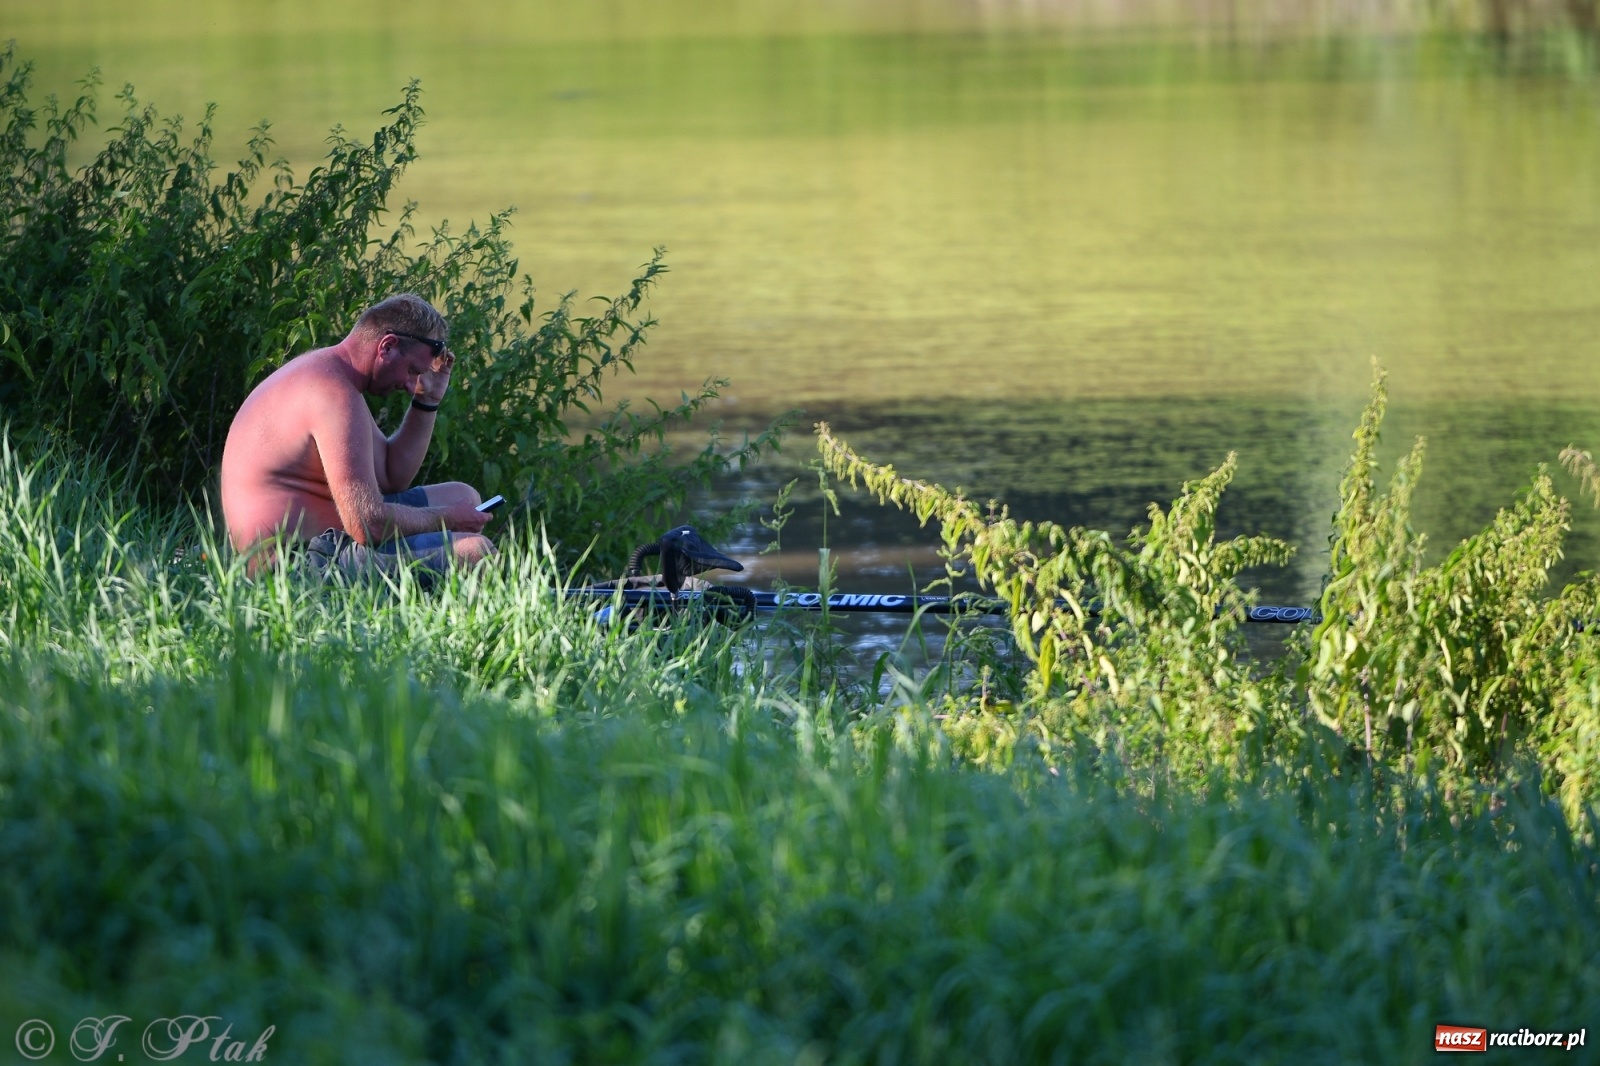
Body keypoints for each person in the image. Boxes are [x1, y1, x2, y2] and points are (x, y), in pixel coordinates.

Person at [220, 293, 496, 579]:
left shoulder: (333, 374)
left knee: (464, 497)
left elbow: (390, 477)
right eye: (413, 370)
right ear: (387, 347)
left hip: (327, 539)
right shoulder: (333, 393)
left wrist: (427, 398)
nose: (409, 384)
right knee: (475, 552)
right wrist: (448, 518)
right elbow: (368, 524)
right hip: (293, 566)